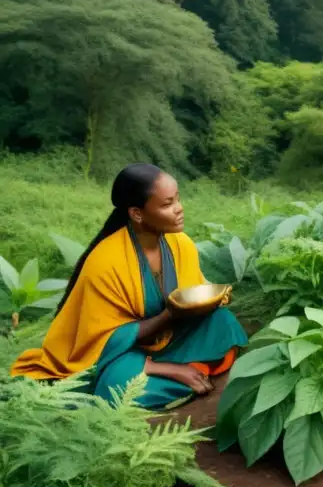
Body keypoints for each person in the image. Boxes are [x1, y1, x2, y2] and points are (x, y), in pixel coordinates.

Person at [10, 164, 248, 410]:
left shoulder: (181, 244)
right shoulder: (105, 261)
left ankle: (186, 372)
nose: (179, 209)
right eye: (167, 205)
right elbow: (100, 340)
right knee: (115, 388)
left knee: (224, 323)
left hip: (169, 339)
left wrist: (214, 299)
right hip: (120, 355)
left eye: (177, 199)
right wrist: (167, 349)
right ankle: (176, 373)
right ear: (137, 213)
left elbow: (194, 290)